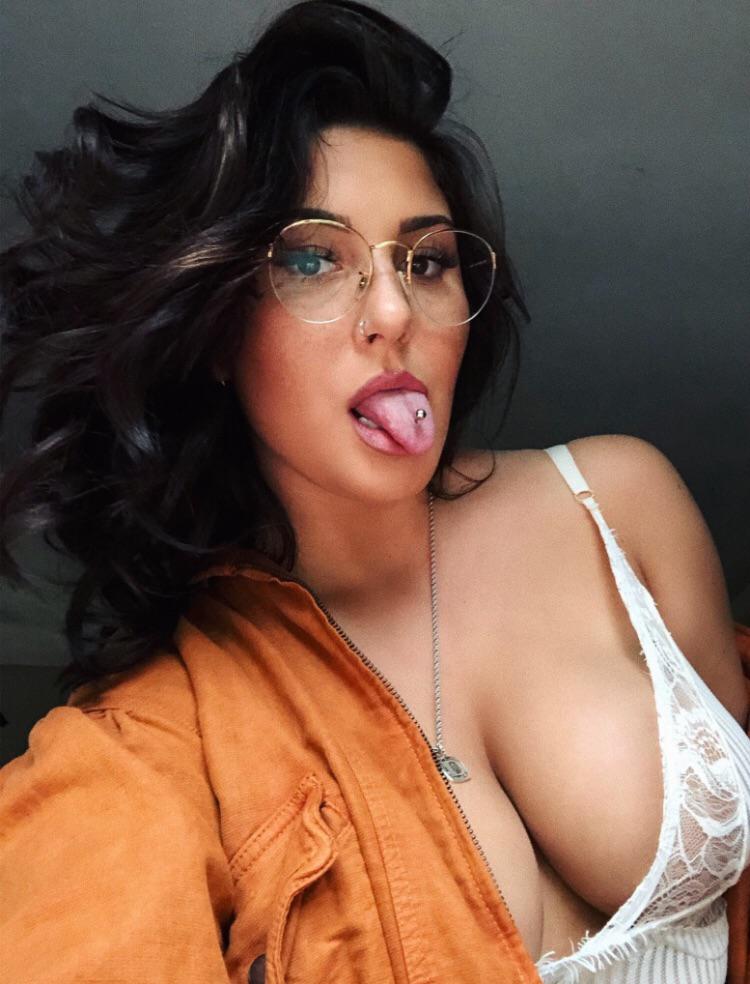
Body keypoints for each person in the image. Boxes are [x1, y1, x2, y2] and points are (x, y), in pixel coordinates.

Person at [1, 2, 748, 981]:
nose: (393, 310)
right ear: (219, 334)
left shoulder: (615, 500)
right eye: (316, 258)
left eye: (425, 260)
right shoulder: (163, 732)